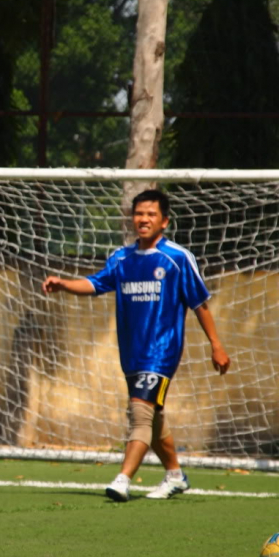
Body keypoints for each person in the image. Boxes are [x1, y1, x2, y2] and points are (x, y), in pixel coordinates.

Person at [42, 189, 230, 502]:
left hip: (162, 351)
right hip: (131, 352)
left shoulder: (178, 258)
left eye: (151, 214)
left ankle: (122, 479)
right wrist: (64, 284)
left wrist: (216, 345)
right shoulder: (120, 258)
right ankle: (175, 475)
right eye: (139, 214)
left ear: (165, 221)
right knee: (153, 417)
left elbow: (200, 304)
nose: (143, 219)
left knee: (140, 413)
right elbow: (95, 284)